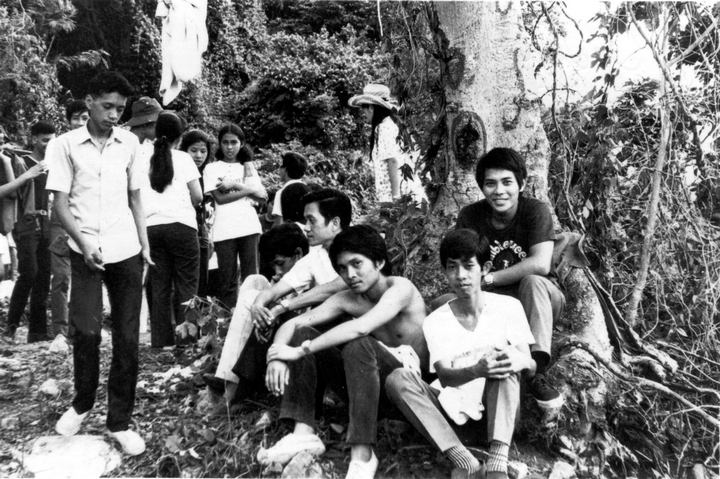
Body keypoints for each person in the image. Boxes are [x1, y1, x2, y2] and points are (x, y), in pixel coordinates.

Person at [260, 225, 482, 479]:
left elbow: (362, 327)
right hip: (376, 391)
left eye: (357, 264)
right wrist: (276, 356)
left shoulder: (400, 288)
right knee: (304, 333)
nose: (350, 274)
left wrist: (299, 352)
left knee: (358, 343)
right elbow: (294, 324)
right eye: (342, 268)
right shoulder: (347, 299)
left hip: (416, 393)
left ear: (379, 262)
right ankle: (303, 434)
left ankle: (362, 455)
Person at [46, 71, 153, 456]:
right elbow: (60, 203)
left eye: (119, 109)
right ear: (89, 101)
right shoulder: (64, 145)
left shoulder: (130, 144)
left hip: (126, 250)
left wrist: (144, 245)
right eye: (107, 106)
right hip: (85, 251)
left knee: (127, 339)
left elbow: (136, 197)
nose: (113, 115)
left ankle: (119, 421)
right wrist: (84, 243)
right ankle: (82, 402)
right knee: (87, 332)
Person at [205, 188, 350, 402]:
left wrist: (282, 308)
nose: (306, 228)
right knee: (265, 307)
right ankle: (235, 390)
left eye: (312, 220)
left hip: (347, 335)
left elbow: (337, 286)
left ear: (335, 223)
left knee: (279, 314)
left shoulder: (357, 245)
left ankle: (236, 391)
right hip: (316, 331)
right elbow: (274, 290)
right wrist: (259, 306)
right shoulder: (315, 257)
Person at [418, 229, 534, 479]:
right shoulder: (436, 321)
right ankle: (464, 460)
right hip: (451, 415)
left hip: (498, 416)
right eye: (452, 267)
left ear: (485, 268)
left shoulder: (508, 307)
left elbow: (531, 364)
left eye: (469, 266)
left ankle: (497, 465)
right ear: (445, 271)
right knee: (398, 380)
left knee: (504, 361)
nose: (461, 276)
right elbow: (444, 376)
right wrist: (476, 370)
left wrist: (518, 359)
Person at [455, 147, 565, 410]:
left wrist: (489, 279)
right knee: (445, 303)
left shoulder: (535, 211)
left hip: (539, 300)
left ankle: (536, 371)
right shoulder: (470, 216)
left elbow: (540, 264)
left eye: (507, 182)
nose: (499, 191)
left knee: (532, 282)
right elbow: (463, 262)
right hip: (497, 305)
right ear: (482, 187)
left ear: (521, 184)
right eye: (490, 184)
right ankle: (455, 377)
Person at [203, 223, 309, 407]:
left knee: (251, 297)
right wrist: (270, 296)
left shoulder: (314, 265)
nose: (277, 271)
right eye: (274, 266)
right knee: (254, 280)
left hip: (297, 332)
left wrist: (282, 300)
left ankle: (232, 385)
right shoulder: (290, 272)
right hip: (278, 322)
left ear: (298, 254)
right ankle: (227, 374)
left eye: (280, 263)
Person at [141, 112, 202, 348]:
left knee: (159, 286)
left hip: (151, 228)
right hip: (182, 226)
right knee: (187, 284)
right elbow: (197, 196)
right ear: (180, 137)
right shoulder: (184, 159)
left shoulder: (143, 158)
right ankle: (186, 341)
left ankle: (160, 341)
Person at [203, 124, 267, 309]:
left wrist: (235, 185)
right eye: (225, 142)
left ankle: (251, 319)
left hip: (249, 227)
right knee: (227, 281)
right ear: (219, 144)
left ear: (242, 143)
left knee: (251, 279)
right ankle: (226, 321)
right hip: (224, 230)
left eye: (234, 142)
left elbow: (262, 198)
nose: (229, 147)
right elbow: (220, 199)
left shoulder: (247, 166)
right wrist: (248, 190)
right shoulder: (212, 168)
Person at [4, 121, 55, 342]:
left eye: (52, 140)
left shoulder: (52, 165)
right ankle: (11, 326)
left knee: (44, 276)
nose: (49, 144)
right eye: (45, 140)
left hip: (46, 223)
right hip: (25, 223)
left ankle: (38, 332)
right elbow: (11, 192)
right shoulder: (21, 163)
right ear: (34, 139)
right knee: (29, 273)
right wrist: (28, 175)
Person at [48, 101, 91, 341]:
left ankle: (80, 329)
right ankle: (60, 332)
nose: (80, 123)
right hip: (61, 216)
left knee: (85, 275)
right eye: (76, 118)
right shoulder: (58, 145)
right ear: (68, 121)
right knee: (61, 275)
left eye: (85, 117)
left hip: (88, 216)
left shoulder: (98, 146)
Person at [348, 83, 424, 204]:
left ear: (371, 108)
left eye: (364, 109)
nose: (364, 114)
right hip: (404, 193)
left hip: (397, 196)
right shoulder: (391, 124)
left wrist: (395, 197)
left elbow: (393, 161)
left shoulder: (385, 127)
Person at [179, 129, 214, 298]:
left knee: (201, 281)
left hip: (203, 231)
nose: (199, 156)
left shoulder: (208, 174)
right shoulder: (178, 172)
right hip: (184, 229)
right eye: (193, 150)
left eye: (203, 151)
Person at [271, 151, 307, 225]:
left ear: (285, 169)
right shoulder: (308, 189)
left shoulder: (281, 192)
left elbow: (279, 223)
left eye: (281, 166)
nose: (279, 170)